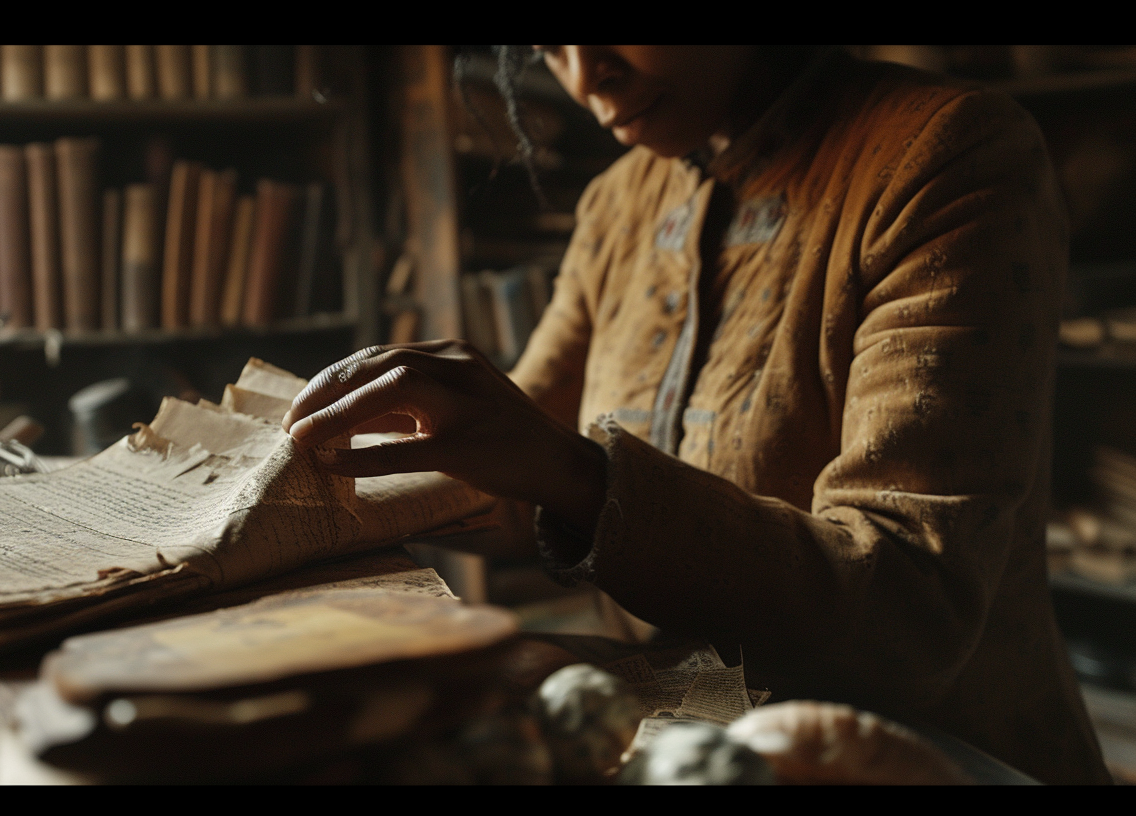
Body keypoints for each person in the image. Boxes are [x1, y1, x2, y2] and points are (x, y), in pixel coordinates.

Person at [282, 46, 1109, 784]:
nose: (583, 76)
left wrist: (573, 473)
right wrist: (290, 501)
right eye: (547, 46)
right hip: (680, 747)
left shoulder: (947, 155)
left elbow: (911, 613)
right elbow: (499, 475)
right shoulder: (619, 204)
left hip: (925, 755)